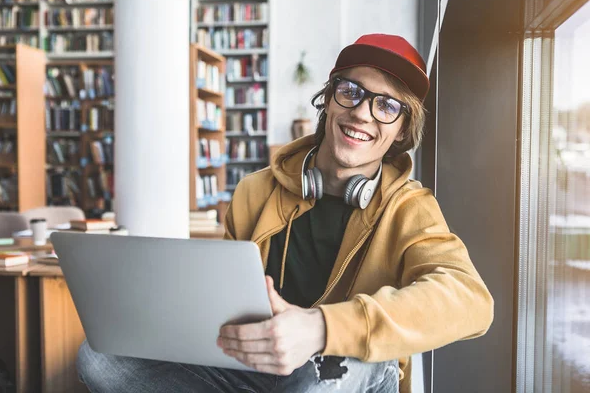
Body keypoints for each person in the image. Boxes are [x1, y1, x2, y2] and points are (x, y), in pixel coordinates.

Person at [77, 33, 494, 393]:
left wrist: (322, 328)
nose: (363, 113)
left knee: (337, 371)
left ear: (402, 129)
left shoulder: (411, 207)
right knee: (99, 356)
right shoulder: (254, 190)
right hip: (254, 366)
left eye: (387, 106)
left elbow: (471, 301)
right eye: (351, 91)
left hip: (339, 364)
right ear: (328, 100)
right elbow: (223, 300)